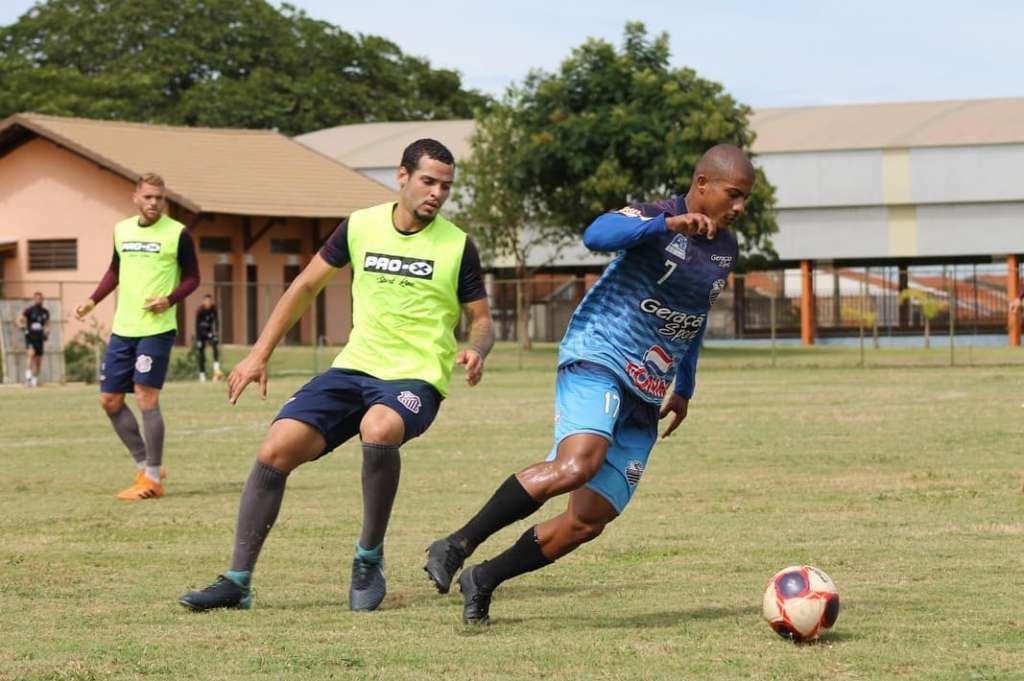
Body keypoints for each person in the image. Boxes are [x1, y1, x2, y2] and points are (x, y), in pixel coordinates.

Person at [424, 144, 755, 625]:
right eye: (734, 194)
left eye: (746, 198)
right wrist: (666, 226)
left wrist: (685, 386)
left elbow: (694, 317)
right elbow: (597, 233)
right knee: (578, 464)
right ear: (702, 184)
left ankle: (485, 578)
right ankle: (456, 544)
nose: (740, 207)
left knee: (589, 520)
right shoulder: (657, 216)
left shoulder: (726, 250)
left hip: (648, 389)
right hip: (600, 354)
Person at [179, 139, 495, 613]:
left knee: (379, 427)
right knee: (275, 448)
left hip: (416, 376)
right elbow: (305, 285)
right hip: (354, 367)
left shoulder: (457, 245)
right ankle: (237, 582)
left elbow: (483, 318)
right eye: (428, 181)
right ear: (403, 177)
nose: (437, 194)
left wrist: (476, 349)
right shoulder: (360, 225)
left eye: (446, 186)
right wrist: (259, 353)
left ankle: (368, 557)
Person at [75, 173, 200, 501]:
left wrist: (169, 300)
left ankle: (153, 479)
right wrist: (92, 300)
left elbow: (193, 278)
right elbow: (115, 270)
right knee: (110, 400)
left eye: (159, 197)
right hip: (123, 329)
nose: (153, 203)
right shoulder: (122, 230)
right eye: (148, 197)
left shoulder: (178, 234)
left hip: (156, 330)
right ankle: (146, 465)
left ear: (165, 200)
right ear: (136, 197)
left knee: (146, 396)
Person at [16, 291, 50, 387]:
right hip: (30, 337)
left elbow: (47, 324)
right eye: (37, 299)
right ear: (34, 299)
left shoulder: (45, 312)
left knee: (38, 360)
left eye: (40, 299)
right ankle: (28, 378)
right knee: (30, 354)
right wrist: (22, 327)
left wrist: (46, 333)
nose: (39, 300)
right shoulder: (29, 310)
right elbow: (19, 319)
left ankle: (34, 381)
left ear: (42, 300)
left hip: (39, 338)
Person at [194, 294, 222, 382]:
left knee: (215, 346)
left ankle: (216, 372)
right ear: (203, 302)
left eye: (209, 301)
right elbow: (197, 326)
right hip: (201, 334)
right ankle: (202, 375)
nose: (208, 303)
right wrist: (198, 338)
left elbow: (217, 321)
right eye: (206, 301)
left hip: (210, 333)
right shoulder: (200, 311)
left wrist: (216, 333)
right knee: (201, 354)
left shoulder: (213, 309)